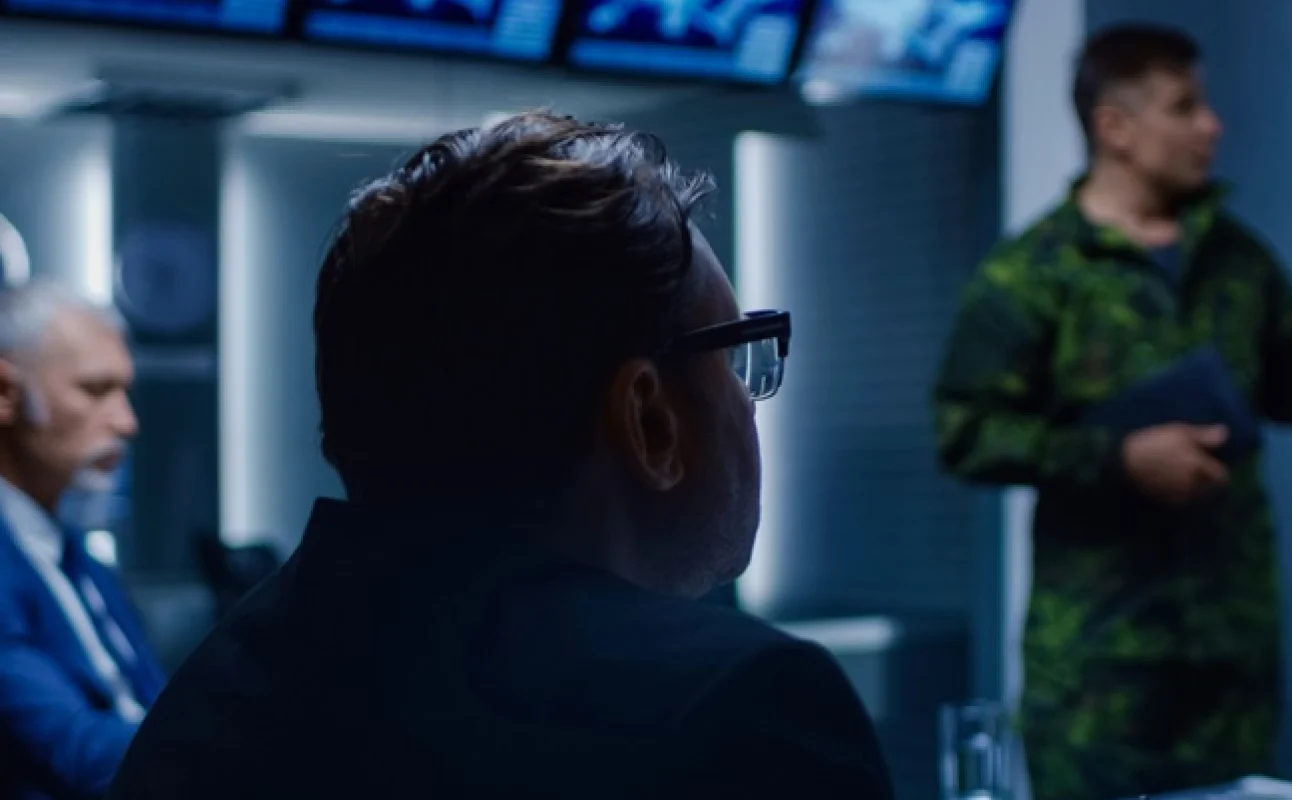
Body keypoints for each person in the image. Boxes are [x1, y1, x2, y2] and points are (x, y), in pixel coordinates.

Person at [108, 112, 896, 800]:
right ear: (649, 420)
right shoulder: (741, 710)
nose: (748, 399)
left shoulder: (206, 702)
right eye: (735, 358)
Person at [932, 23, 1292, 800]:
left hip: (1230, 658)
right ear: (1114, 127)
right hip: (1099, 667)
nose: (1210, 125)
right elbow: (965, 433)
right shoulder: (1032, 273)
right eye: (1185, 107)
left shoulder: (1235, 261)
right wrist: (1118, 458)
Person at [0, 281, 162, 799]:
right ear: (6, 395)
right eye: (95, 390)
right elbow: (75, 752)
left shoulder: (80, 560)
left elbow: (159, 705)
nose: (127, 422)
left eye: (125, 392)